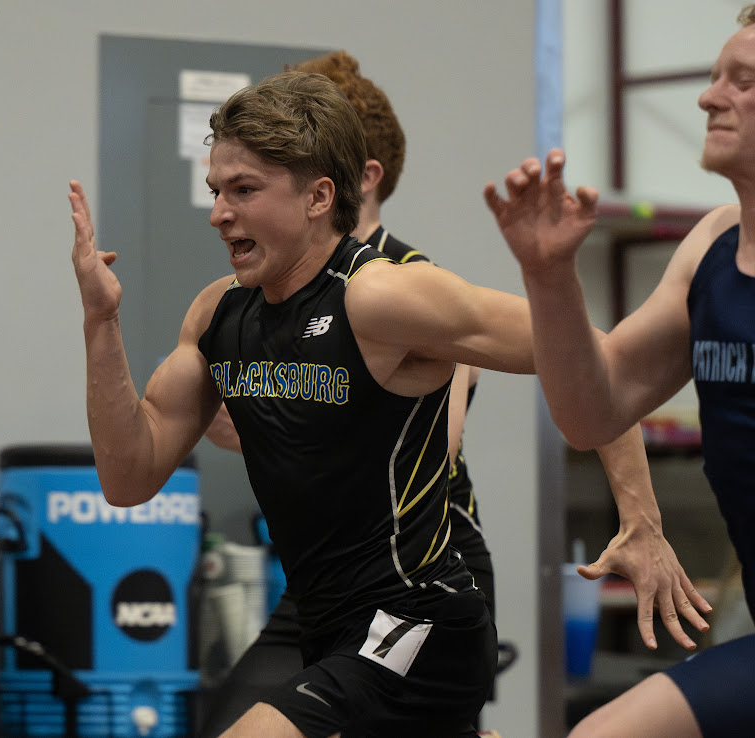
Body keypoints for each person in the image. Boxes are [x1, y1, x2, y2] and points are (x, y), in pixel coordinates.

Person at [70, 71, 707, 738]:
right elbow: (127, 476)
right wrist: (100, 323)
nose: (219, 213)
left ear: (319, 196)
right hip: (324, 621)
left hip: (420, 615)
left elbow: (597, 359)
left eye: (244, 191)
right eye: (216, 191)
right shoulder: (219, 313)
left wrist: (642, 521)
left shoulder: (380, 297)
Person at [198, 51, 499, 737]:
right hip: (321, 585)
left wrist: (641, 518)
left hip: (418, 569)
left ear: (341, 183)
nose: (227, 211)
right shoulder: (262, 300)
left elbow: (578, 359)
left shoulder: (406, 287)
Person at [486, 6, 755, 736]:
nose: (708, 97)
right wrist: (549, 279)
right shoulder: (711, 248)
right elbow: (593, 411)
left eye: (743, 82)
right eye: (712, 78)